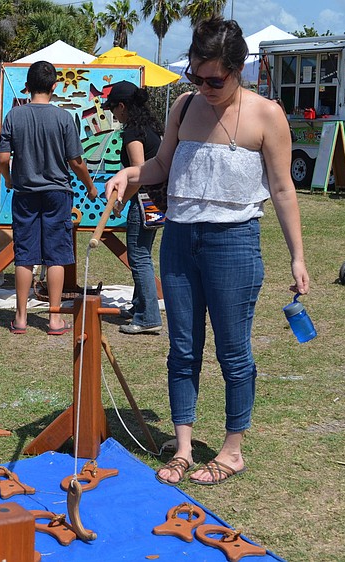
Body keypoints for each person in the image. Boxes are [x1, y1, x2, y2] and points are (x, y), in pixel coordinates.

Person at [105, 17, 310, 486]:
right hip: (179, 239)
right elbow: (158, 165)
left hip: (234, 242)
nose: (204, 86)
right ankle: (181, 448)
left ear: (239, 70)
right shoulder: (183, 106)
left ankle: (232, 451)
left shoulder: (267, 115)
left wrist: (297, 256)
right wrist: (127, 177)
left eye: (215, 79)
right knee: (182, 349)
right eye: (196, 76)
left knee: (233, 351)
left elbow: (281, 188)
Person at [0, 60, 98, 335]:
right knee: (56, 255)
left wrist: (8, 179)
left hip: (25, 192)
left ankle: (20, 318)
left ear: (27, 86)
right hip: (57, 193)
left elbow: (3, 158)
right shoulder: (63, 118)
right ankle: (54, 319)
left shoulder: (13, 116)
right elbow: (76, 161)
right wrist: (89, 185)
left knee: (25, 255)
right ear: (54, 86)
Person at [102, 80, 164, 335]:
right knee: (143, 255)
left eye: (113, 109)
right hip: (157, 200)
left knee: (138, 258)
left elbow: (139, 172)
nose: (113, 114)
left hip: (144, 201)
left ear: (123, 106)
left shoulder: (132, 132)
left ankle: (148, 316)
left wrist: (121, 200)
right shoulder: (150, 127)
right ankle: (140, 305)